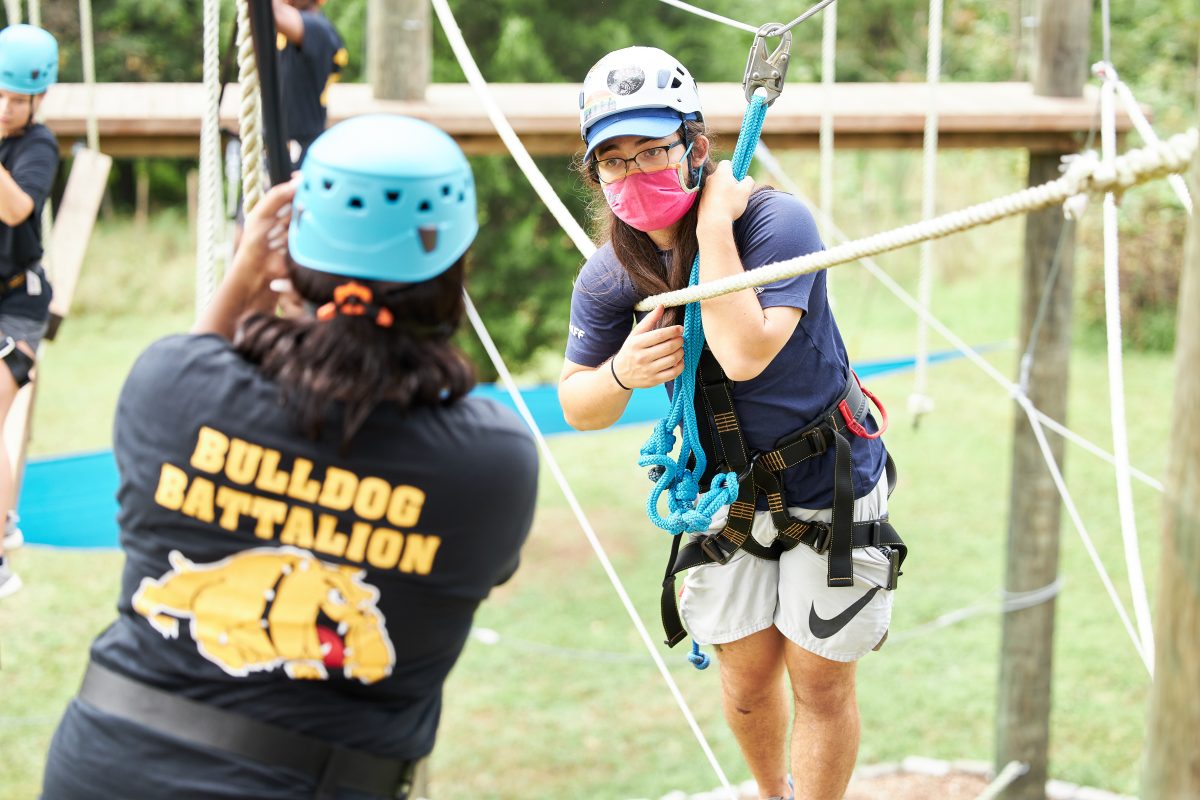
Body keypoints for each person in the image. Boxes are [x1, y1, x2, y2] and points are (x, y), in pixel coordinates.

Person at [42, 114, 539, 799]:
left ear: (291, 258)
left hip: (107, 767)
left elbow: (198, 363)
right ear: (456, 266)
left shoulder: (168, 384)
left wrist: (245, 272)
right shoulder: (492, 461)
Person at [559, 47, 905, 800]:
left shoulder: (776, 223)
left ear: (697, 148)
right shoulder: (613, 273)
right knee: (746, 681)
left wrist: (715, 225)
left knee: (820, 679)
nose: (635, 172)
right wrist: (622, 373)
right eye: (613, 162)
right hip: (727, 492)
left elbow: (746, 352)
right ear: (595, 177)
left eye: (652, 149)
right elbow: (578, 405)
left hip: (828, 479)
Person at [0, 24, 60, 600]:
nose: (5, 107)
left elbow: (17, 209)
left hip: (17, 306)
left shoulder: (36, 146)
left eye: (18, 99)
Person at [273, 0, 347, 168]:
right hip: (283, 145)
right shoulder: (290, 34)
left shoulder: (318, 28)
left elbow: (271, 11)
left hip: (301, 151)